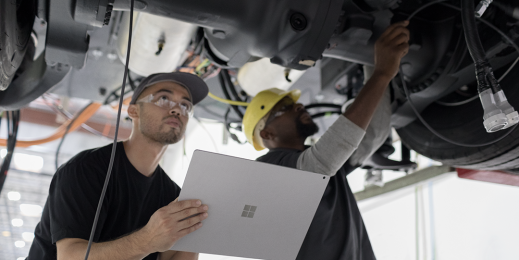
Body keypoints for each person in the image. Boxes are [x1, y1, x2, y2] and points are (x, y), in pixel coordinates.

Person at [242, 21, 410, 260]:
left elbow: (370, 134)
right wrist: (382, 72)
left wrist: (375, 64)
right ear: (267, 134)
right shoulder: (269, 168)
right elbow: (320, 164)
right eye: (286, 107)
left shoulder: (319, 162)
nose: (298, 105)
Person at [27, 72, 210, 260]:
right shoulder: (86, 170)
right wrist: (148, 239)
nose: (177, 110)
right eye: (164, 98)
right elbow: (69, 257)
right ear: (133, 111)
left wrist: (196, 237)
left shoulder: (173, 197)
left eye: (185, 105)